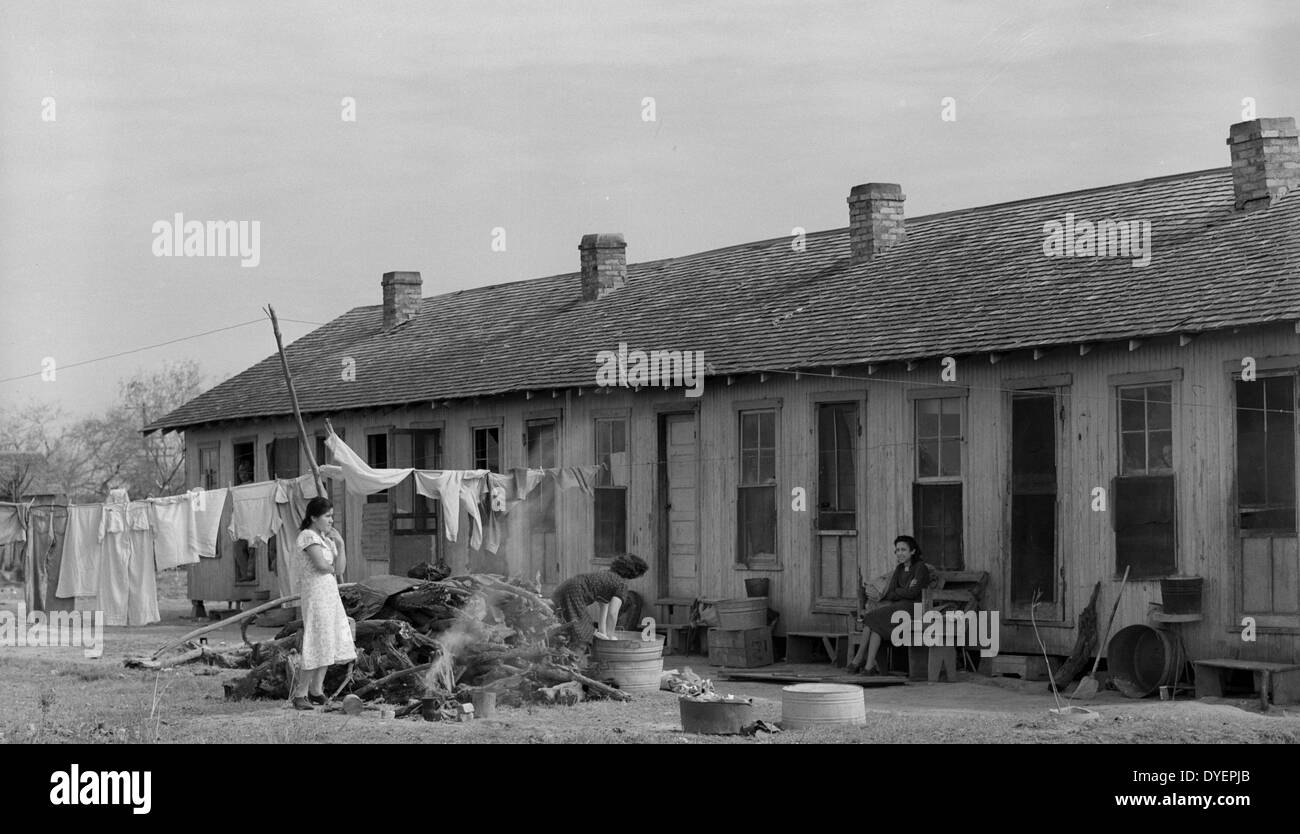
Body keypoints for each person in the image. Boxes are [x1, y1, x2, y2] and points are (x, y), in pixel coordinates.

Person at [290, 497, 357, 710]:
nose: (331, 520)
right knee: (316, 638)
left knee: (328, 638)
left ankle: (316, 690)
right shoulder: (307, 536)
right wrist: (331, 566)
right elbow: (320, 565)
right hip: (316, 593)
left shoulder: (326, 539)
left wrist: (340, 543)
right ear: (313, 517)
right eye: (327, 516)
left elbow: (340, 569)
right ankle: (300, 693)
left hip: (330, 593)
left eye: (332, 516)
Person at [846, 536, 931, 675]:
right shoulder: (899, 569)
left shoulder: (920, 568)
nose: (899, 553)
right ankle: (868, 666)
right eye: (897, 550)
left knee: (872, 617)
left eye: (903, 549)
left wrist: (900, 592)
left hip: (914, 609)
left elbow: (913, 593)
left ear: (913, 551)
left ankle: (859, 658)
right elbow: (890, 592)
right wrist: (903, 591)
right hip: (898, 607)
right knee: (875, 627)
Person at [551, 555, 649, 649]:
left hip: (565, 587)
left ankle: (564, 652)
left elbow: (604, 606)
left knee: (566, 623)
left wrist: (603, 633)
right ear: (633, 573)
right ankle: (577, 658)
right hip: (574, 592)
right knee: (582, 629)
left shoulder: (606, 575)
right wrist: (610, 638)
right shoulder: (621, 585)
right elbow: (612, 613)